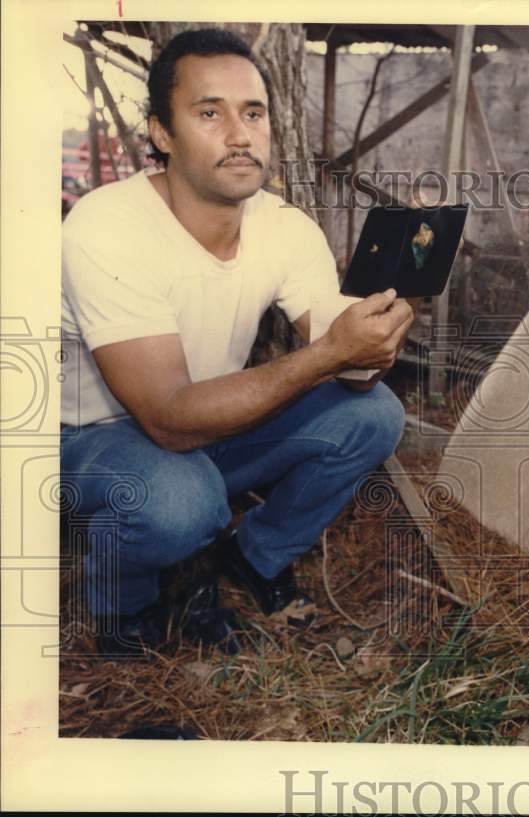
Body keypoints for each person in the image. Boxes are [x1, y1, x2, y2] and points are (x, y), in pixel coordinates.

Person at [60, 28, 413, 657]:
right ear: (161, 134)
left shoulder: (283, 226)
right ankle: (124, 602)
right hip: (93, 437)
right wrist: (331, 353)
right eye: (209, 113)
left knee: (374, 415)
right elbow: (167, 420)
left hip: (206, 421)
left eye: (253, 112)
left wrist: (374, 340)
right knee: (179, 499)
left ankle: (255, 557)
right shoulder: (109, 225)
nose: (240, 133)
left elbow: (353, 371)